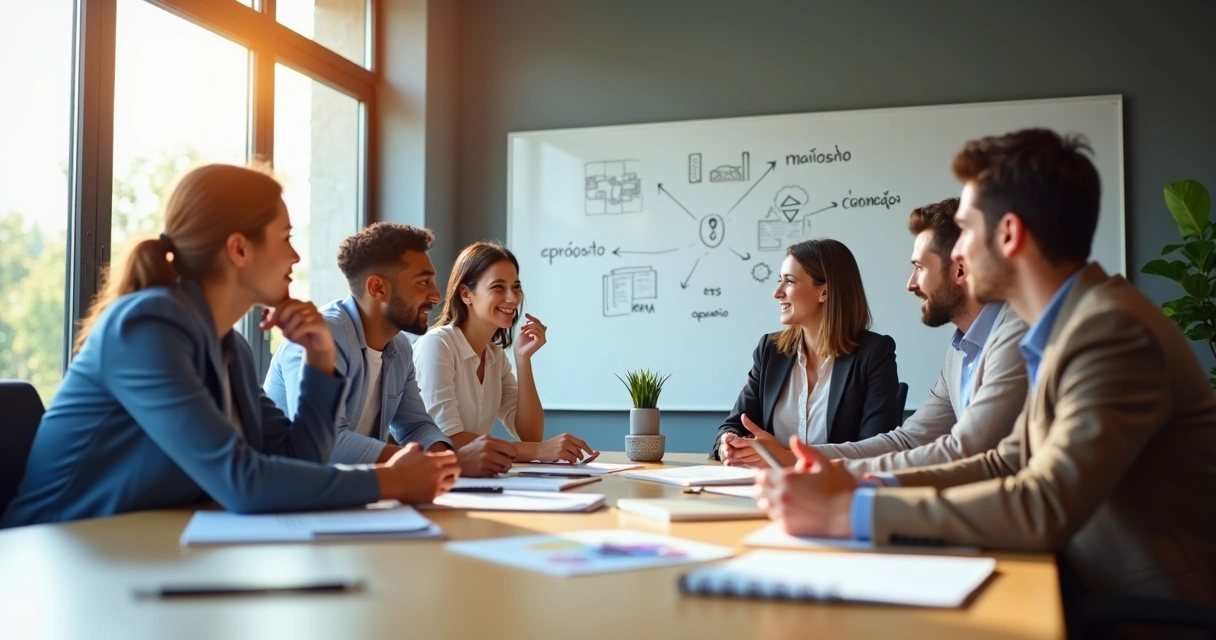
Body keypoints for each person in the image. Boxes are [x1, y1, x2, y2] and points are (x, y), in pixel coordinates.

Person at [758, 129, 1216, 608]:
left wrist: (852, 510)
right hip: (1081, 588)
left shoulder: (1110, 330)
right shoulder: (1066, 327)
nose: (957, 252)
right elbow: (1006, 461)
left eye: (968, 230)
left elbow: (1046, 503)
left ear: (1010, 234)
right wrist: (858, 481)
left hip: (1138, 612)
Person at [1, 164, 459, 528]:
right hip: (55, 552)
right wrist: (388, 482)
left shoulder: (230, 349)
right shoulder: (144, 328)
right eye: (285, 239)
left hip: (141, 548)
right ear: (239, 250)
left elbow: (297, 459)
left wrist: (321, 362)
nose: (296, 258)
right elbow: (243, 481)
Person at [265, 223, 510, 477]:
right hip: (289, 500)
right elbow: (327, 444)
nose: (436, 295)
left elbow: (415, 426)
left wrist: (446, 458)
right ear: (378, 289)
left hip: (351, 493)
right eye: (423, 282)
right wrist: (453, 462)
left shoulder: (399, 346)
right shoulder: (320, 337)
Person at [812, 198, 1028, 473]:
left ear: (960, 269)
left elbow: (967, 449)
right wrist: (795, 457)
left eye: (920, 267)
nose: (910, 284)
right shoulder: (960, 350)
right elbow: (908, 440)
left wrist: (833, 473)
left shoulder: (1016, 334)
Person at [712, 238, 902, 467]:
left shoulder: (874, 354)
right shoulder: (770, 350)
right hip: (768, 490)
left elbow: (876, 450)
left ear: (824, 291)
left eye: (789, 281)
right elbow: (733, 425)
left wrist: (784, 455)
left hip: (836, 494)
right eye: (779, 281)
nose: (777, 293)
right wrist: (728, 445)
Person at [413, 241, 594, 464]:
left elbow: (530, 435)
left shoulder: (495, 357)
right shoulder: (437, 344)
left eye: (516, 286)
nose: (513, 298)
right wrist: (538, 451)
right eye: (498, 287)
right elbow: (447, 439)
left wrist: (523, 359)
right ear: (466, 294)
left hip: (471, 478)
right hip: (432, 479)